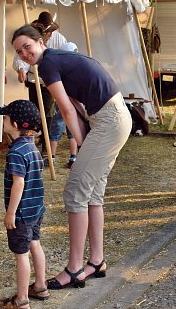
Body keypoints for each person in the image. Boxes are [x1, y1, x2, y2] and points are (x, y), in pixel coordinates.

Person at [11, 25, 132, 287]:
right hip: (113, 116)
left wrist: (83, 143)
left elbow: (66, 110)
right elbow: (75, 106)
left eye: (27, 46)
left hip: (108, 120)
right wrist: (85, 140)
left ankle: (74, 268)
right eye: (19, 51)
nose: (24, 54)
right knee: (92, 193)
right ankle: (96, 261)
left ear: (40, 42)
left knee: (75, 192)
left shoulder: (48, 64)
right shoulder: (57, 59)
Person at [0, 100, 48, 309]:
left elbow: (19, 183)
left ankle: (22, 300)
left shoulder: (16, 152)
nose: (3, 121)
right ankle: (40, 286)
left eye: (5, 118)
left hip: (22, 213)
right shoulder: (32, 147)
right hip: (36, 208)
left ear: (15, 124)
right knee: (35, 244)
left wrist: (11, 213)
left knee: (21, 254)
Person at [12, 12, 68, 155]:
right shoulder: (30, 36)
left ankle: (45, 142)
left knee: (47, 111)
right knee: (35, 110)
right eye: (47, 32)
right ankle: (38, 137)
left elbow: (64, 54)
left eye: (50, 32)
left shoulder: (59, 39)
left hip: (49, 80)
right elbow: (21, 56)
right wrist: (21, 69)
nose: (49, 34)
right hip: (33, 79)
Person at [47, 42, 79, 168]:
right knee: (72, 130)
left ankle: (52, 158)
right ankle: (73, 158)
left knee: (56, 129)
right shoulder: (77, 66)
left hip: (64, 102)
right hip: (74, 102)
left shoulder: (62, 67)